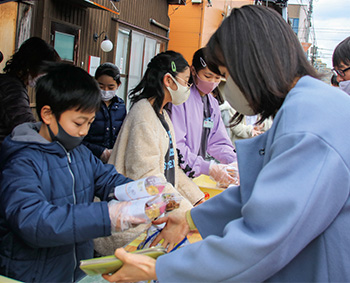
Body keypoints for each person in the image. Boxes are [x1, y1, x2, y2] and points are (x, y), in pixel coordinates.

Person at [103, 5, 350, 282]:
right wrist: (190, 218)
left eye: (225, 74)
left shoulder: (309, 123)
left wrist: (160, 269)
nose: (222, 86)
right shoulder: (308, 107)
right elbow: (258, 194)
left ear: (251, 66)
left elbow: (264, 238)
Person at [0, 63, 138, 283]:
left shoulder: (80, 153)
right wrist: (107, 216)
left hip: (74, 271)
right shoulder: (21, 162)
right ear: (47, 114)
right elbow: (33, 221)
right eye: (78, 122)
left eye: (90, 123)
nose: (84, 131)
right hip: (32, 275)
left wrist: (140, 191)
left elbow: (107, 179)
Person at [98, 51, 204, 255]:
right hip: (132, 223)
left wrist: (197, 200)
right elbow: (148, 178)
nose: (187, 88)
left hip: (151, 213)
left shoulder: (161, 113)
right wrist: (185, 211)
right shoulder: (144, 115)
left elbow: (170, 169)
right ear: (168, 80)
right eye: (186, 81)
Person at [169, 47, 237, 186]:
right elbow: (177, 145)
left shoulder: (212, 103)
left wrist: (234, 162)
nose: (212, 82)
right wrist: (207, 167)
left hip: (195, 175)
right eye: (208, 76)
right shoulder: (180, 100)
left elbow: (217, 142)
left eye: (217, 78)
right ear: (193, 71)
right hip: (177, 173)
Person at [0, 37, 60, 147]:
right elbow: (24, 126)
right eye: (44, 71)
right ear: (31, 66)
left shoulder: (10, 83)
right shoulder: (12, 89)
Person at [82, 62, 126, 163]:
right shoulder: (87, 104)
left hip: (113, 161)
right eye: (101, 86)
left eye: (111, 87)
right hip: (89, 160)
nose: (105, 91)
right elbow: (79, 139)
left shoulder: (120, 106)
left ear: (118, 85)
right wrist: (101, 152)